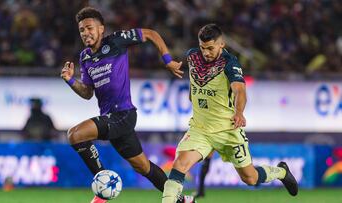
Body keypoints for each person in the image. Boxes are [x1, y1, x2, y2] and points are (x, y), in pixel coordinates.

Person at [60, 7, 195, 203]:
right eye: (81, 30)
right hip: (112, 117)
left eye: (89, 28)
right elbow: (88, 93)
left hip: (122, 114)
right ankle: (182, 200)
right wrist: (71, 81)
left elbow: (150, 34)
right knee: (143, 167)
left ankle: (103, 187)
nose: (85, 33)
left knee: (75, 135)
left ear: (101, 29)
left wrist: (167, 59)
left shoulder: (115, 41)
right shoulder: (85, 57)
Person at [162, 24, 298, 203]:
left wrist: (239, 112)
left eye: (211, 48)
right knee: (179, 165)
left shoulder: (229, 62)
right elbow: (194, 82)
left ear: (221, 45)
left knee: (250, 178)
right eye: (203, 48)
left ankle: (281, 172)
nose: (206, 53)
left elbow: (240, 90)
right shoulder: (192, 56)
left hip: (228, 129)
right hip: (200, 129)